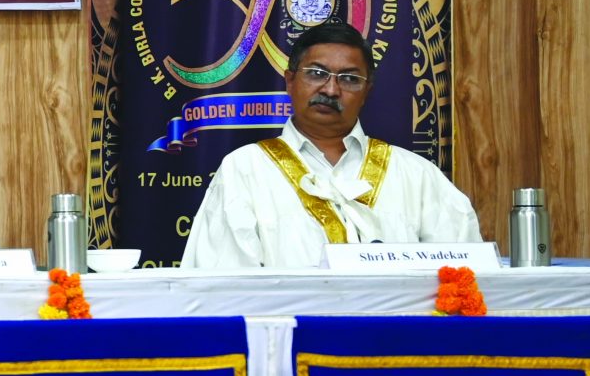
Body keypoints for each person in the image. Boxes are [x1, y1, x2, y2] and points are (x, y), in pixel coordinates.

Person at [181, 20, 481, 268]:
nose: (331, 89)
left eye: (350, 79)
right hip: (292, 338)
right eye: (317, 74)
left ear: (367, 92)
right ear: (289, 81)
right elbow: (222, 285)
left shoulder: (415, 175)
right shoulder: (245, 170)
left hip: (397, 339)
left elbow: (465, 275)